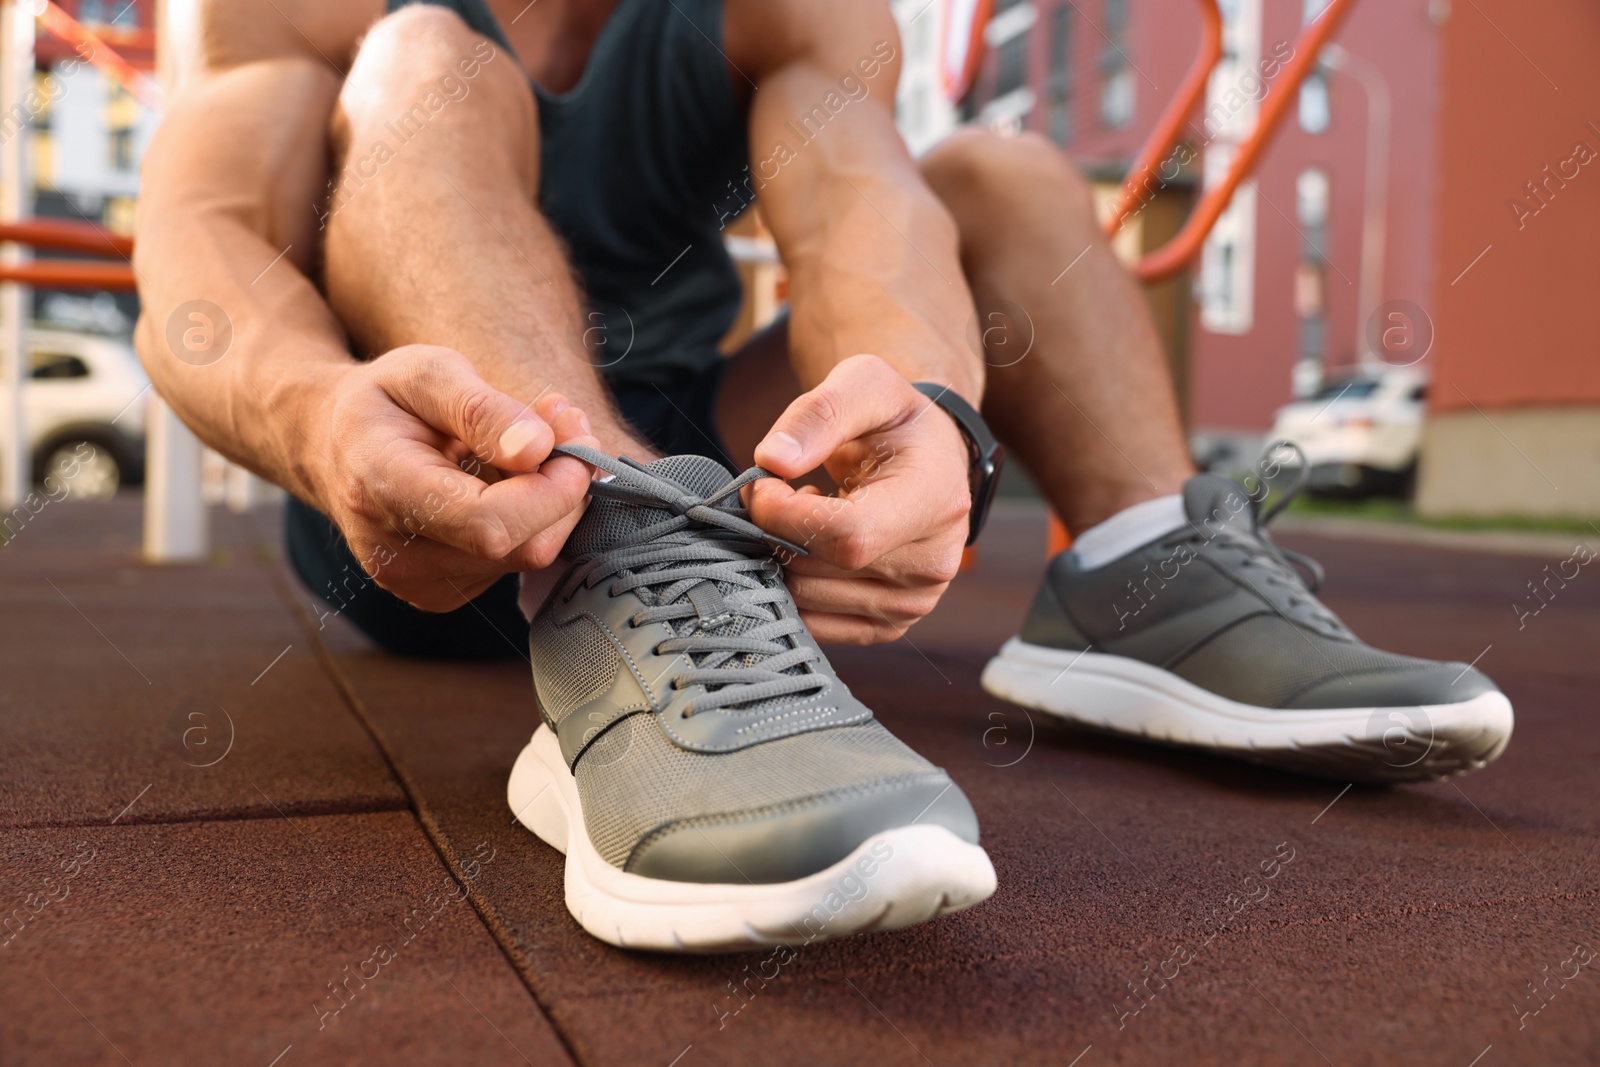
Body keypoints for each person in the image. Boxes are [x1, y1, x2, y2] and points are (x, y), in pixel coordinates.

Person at [135, 0, 1511, 952]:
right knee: (426, 56)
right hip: (429, 477)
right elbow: (200, 242)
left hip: (695, 458)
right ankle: (609, 565)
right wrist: (319, 422)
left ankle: (1144, 570)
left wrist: (925, 412)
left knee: (1004, 176)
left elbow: (864, 193)